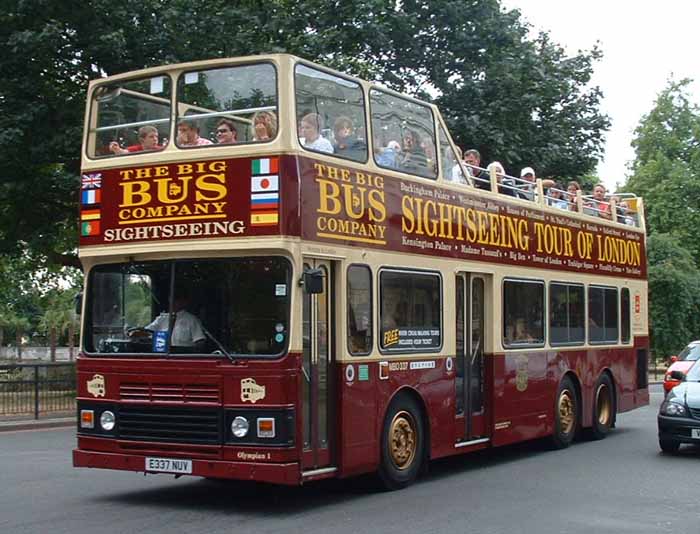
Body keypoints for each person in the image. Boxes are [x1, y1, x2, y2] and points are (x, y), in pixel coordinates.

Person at [130, 293, 206, 350]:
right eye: (171, 298)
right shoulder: (162, 318)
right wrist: (135, 333)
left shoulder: (192, 320)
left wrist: (191, 353)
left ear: (184, 302)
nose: (173, 301)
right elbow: (147, 331)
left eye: (176, 299)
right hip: (162, 356)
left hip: (183, 358)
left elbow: (200, 342)